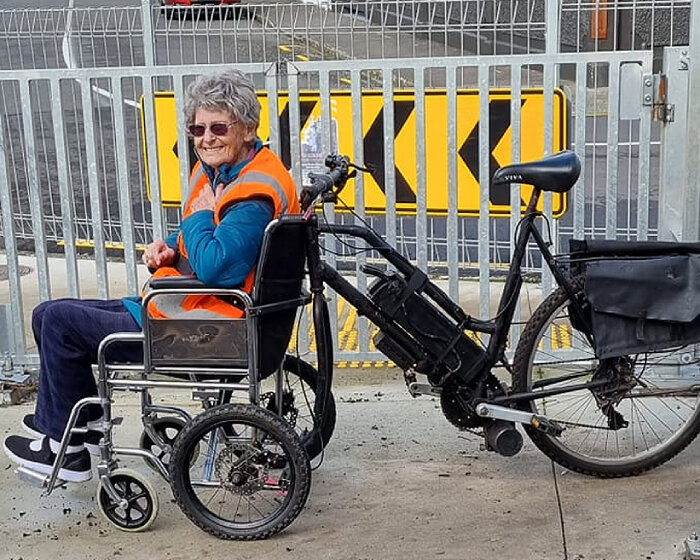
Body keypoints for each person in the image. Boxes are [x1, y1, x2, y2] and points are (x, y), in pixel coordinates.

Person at [2, 69, 300, 482]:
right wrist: (171, 246)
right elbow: (204, 229)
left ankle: (64, 449)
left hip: (205, 329)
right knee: (47, 314)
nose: (205, 138)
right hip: (192, 309)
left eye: (218, 127)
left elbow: (217, 263)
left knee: (58, 323)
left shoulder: (251, 196)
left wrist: (195, 218)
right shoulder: (232, 170)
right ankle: (80, 429)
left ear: (248, 129)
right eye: (197, 128)